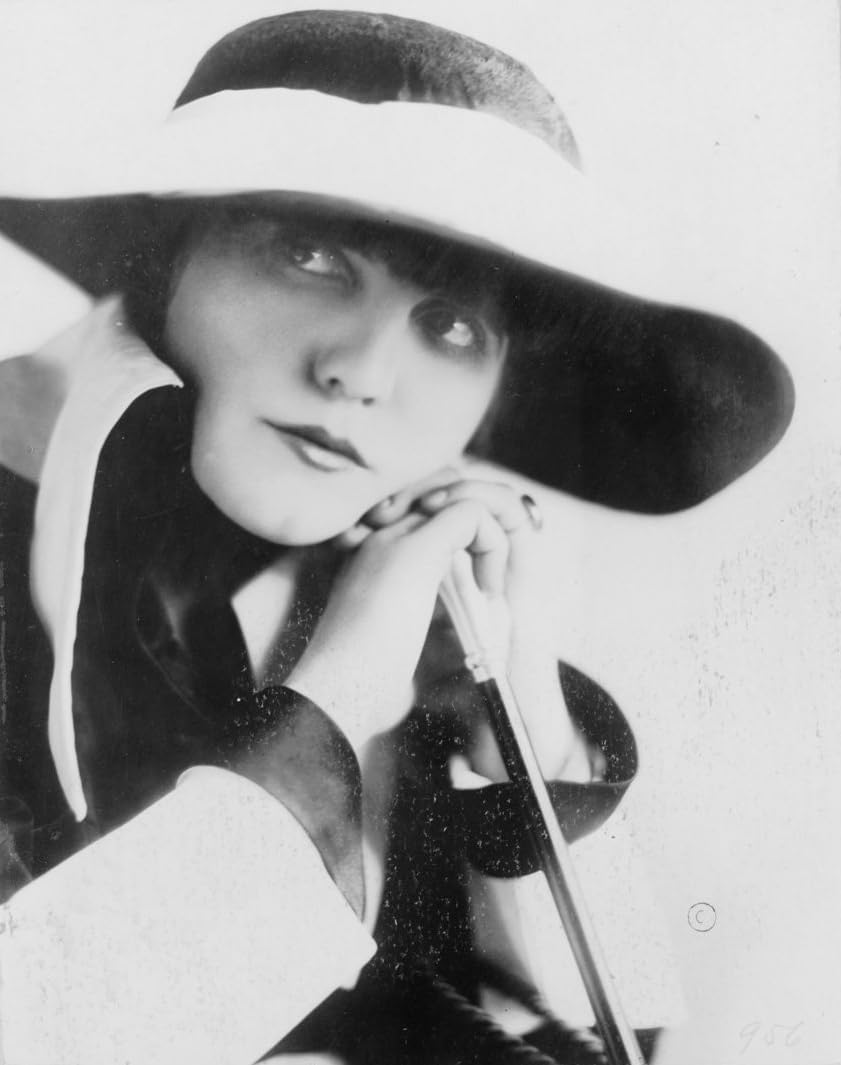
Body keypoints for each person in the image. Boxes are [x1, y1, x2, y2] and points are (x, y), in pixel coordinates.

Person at [0, 10, 793, 1065]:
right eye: (309, 255)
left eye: (451, 326)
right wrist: (336, 698)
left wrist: (518, 718)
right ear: (165, 259)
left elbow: (622, 1044)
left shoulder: (396, 614)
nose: (361, 372)